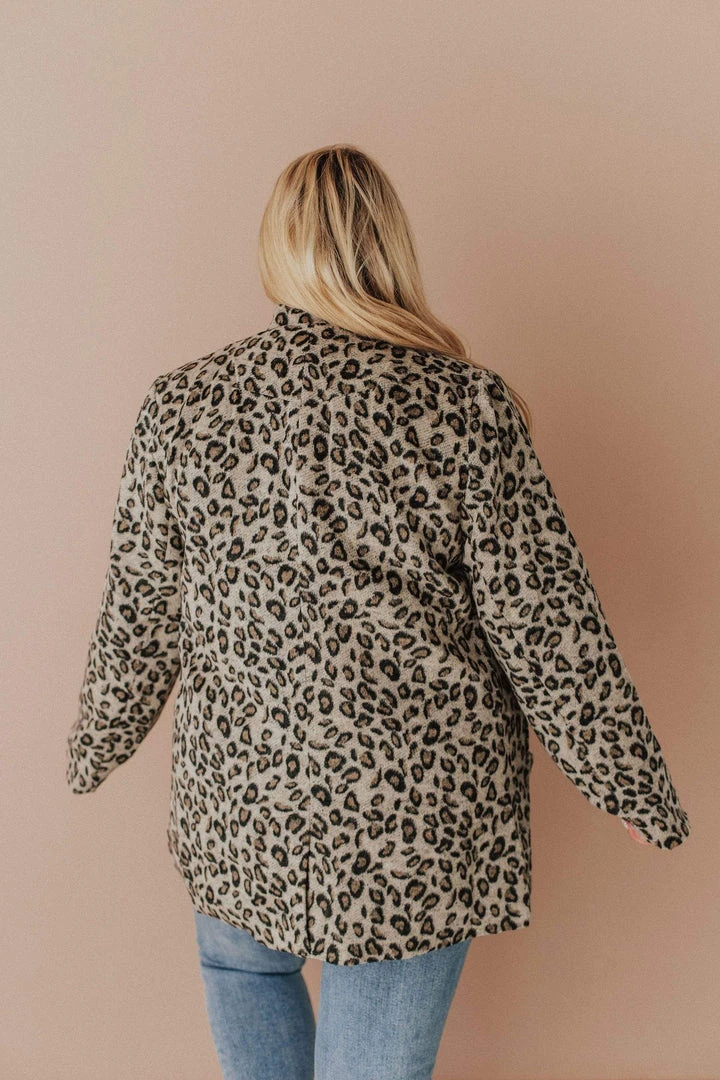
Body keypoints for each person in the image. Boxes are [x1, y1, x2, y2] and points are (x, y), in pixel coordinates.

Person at [66, 144, 690, 1080]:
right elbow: (547, 626)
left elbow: (140, 620)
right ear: (388, 244)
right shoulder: (463, 407)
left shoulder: (181, 410)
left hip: (242, 807)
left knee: (246, 979)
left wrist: (95, 746)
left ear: (276, 248)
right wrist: (628, 783)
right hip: (412, 828)